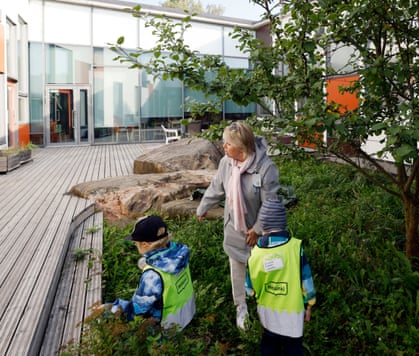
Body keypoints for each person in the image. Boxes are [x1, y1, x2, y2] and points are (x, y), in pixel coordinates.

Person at [196, 120, 280, 330]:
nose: (224, 147)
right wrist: (203, 207)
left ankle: (266, 305)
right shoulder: (226, 163)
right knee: (237, 269)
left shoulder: (265, 168)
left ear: (241, 147)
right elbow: (217, 187)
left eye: (227, 144)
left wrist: (258, 229)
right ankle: (241, 306)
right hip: (235, 229)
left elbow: (271, 203)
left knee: (264, 269)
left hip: (259, 233)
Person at [246, 197, 316, 355]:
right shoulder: (295, 248)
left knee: (269, 348)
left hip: (267, 314)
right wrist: (309, 304)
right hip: (292, 316)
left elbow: (249, 288)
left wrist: (253, 293)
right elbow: (307, 280)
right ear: (283, 223)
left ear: (262, 225)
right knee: (293, 350)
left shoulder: (255, 253)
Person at [109, 215, 196, 331]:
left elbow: (138, 310)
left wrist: (114, 307)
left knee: (108, 310)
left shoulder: (152, 276)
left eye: (136, 242)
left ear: (145, 244)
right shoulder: (179, 255)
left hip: (167, 328)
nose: (135, 245)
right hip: (186, 313)